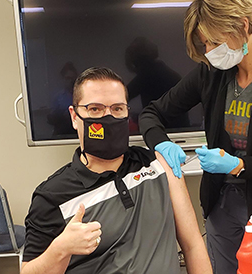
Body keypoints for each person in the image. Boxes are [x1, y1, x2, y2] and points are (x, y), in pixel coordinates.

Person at [139, 0, 252, 274]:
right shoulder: (212, 74)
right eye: (205, 44)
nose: (209, 52)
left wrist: (237, 165)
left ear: (243, 26)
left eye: (214, 42)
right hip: (221, 202)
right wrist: (160, 143)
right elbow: (152, 113)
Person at [21, 67, 212, 274]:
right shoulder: (52, 196)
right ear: (74, 116)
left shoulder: (158, 165)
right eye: (95, 109)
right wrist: (60, 249)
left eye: (117, 109)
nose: (108, 117)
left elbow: (193, 246)